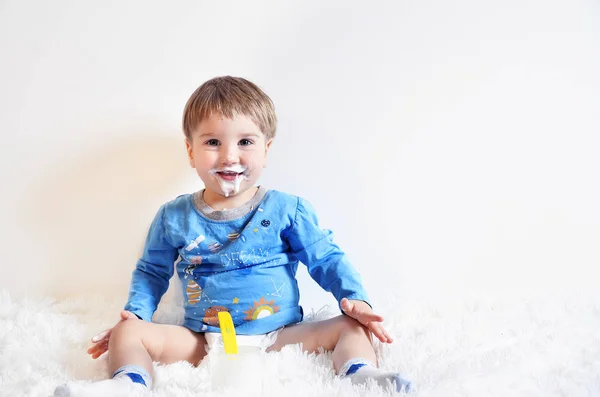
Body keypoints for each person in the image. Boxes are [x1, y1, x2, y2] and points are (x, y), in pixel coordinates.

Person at [53, 76, 412, 396]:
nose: (229, 156)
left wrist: (354, 298)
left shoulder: (288, 209)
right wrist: (135, 313)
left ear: (266, 150)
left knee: (351, 327)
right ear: (191, 151)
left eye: (245, 142)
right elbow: (151, 272)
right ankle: (128, 383)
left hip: (279, 336)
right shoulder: (174, 216)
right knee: (127, 334)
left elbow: (326, 257)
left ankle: (360, 374)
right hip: (201, 340)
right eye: (212, 142)